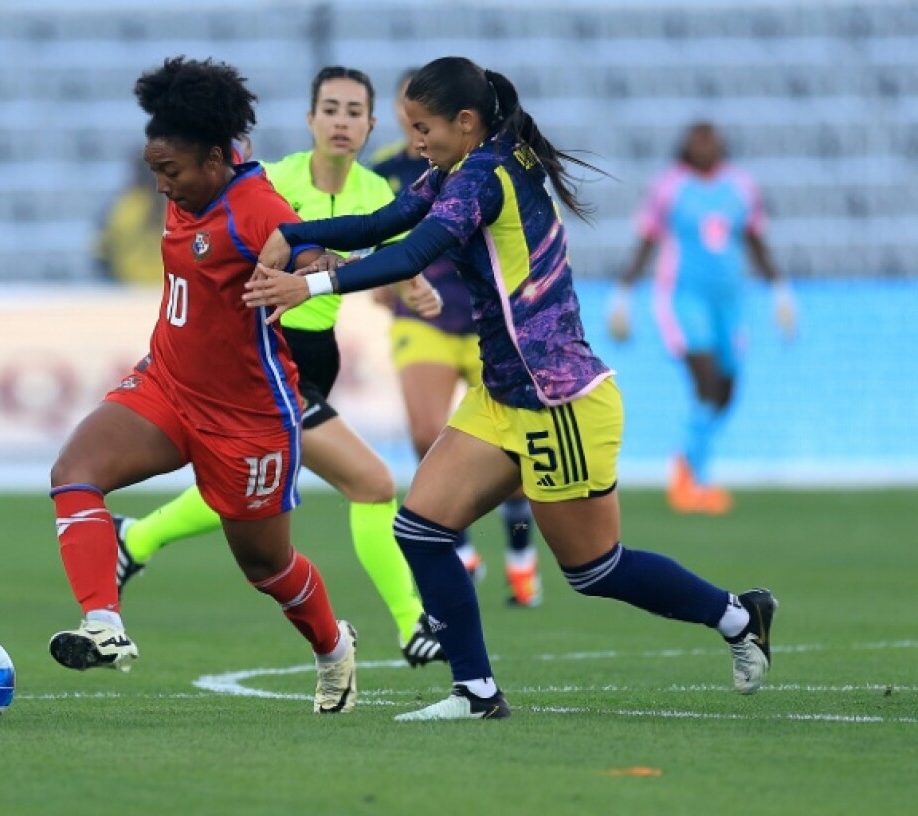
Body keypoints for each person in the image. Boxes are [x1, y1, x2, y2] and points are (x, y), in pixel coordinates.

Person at [245, 56, 778, 721]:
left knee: (594, 570)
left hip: (559, 399)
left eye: (423, 127)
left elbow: (411, 254)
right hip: (506, 395)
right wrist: (293, 232)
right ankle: (475, 692)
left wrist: (311, 282)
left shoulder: (482, 178)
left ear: (465, 123)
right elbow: (387, 223)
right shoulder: (469, 163)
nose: (415, 143)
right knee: (421, 529)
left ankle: (737, 615)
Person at [48, 56, 358, 714]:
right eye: (154, 171)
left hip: (247, 421)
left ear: (215, 159)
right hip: (167, 384)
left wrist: (312, 268)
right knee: (74, 471)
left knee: (267, 569)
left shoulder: (255, 207)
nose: (162, 188)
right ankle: (104, 626)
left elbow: (305, 249)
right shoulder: (198, 174)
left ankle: (334, 648)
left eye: (171, 173)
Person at [112, 65, 449, 669]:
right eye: (331, 109)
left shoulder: (376, 193)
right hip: (270, 358)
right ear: (311, 120)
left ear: (372, 124)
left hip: (318, 360)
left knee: (241, 491)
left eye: (354, 112)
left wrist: (412, 289)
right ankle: (412, 624)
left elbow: (385, 256)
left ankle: (134, 540)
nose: (342, 122)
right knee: (371, 484)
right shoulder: (276, 183)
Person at [371, 66, 541, 606]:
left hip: (485, 322)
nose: (414, 121)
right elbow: (379, 227)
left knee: (511, 458)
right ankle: (463, 553)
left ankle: (521, 561)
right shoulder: (388, 169)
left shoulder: (481, 169)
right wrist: (381, 273)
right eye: (406, 107)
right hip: (422, 320)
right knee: (426, 434)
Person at [608, 121, 796, 515]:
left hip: (730, 302)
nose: (704, 148)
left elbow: (755, 239)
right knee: (706, 381)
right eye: (697, 142)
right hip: (683, 299)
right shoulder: (670, 187)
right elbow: (647, 240)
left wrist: (780, 290)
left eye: (710, 141)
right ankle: (694, 479)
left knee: (727, 389)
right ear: (686, 146)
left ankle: (687, 462)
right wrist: (624, 294)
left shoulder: (740, 186)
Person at [91, 149, 164, 285]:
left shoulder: (119, 207)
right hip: (163, 293)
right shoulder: (180, 207)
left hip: (130, 293)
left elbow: (101, 255)